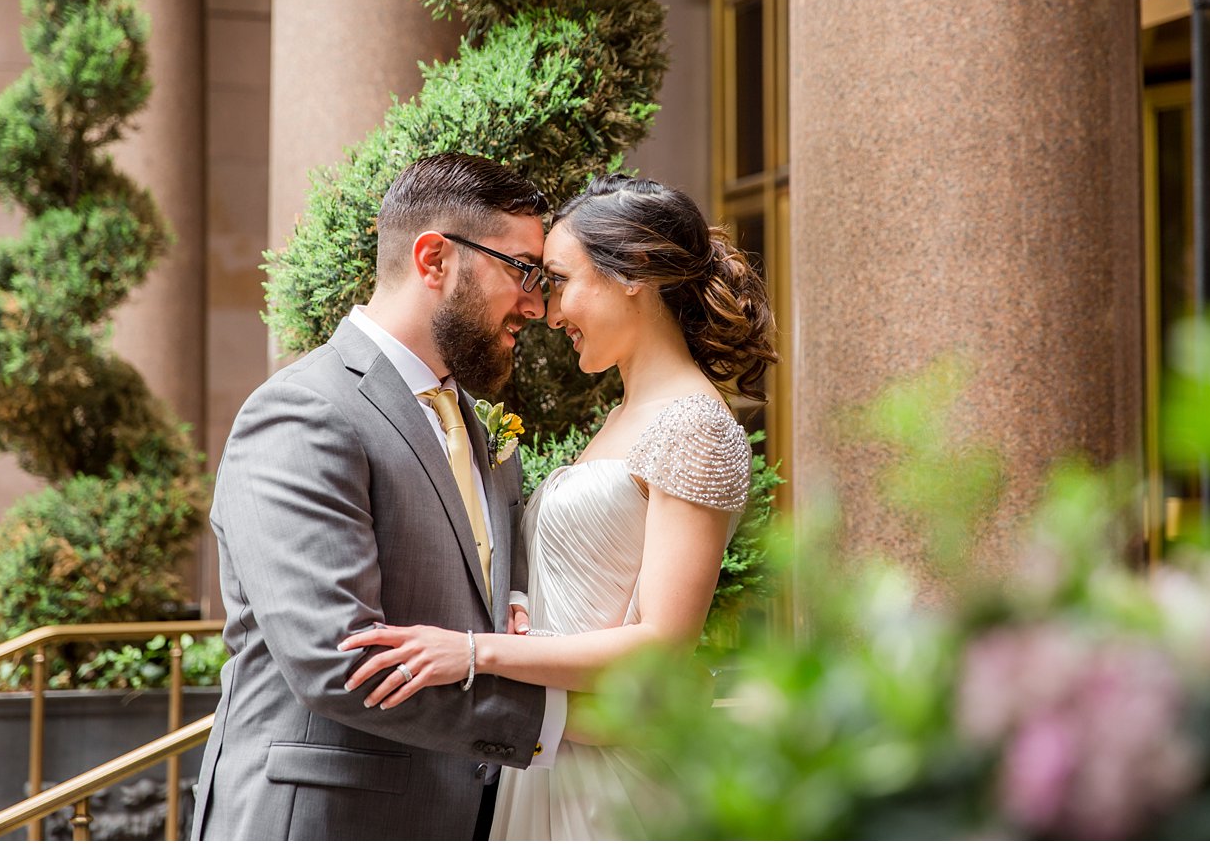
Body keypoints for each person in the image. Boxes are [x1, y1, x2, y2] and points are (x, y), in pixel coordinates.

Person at [337, 173, 779, 839]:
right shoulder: (625, 414)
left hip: (618, 775)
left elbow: (662, 643)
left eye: (561, 280)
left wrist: (474, 652)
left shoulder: (695, 425)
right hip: (551, 751)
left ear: (633, 273)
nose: (549, 312)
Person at [192, 153, 570, 841]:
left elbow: (486, 594)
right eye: (522, 270)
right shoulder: (304, 411)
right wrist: (557, 721)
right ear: (434, 259)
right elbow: (342, 659)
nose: (537, 305)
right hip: (328, 820)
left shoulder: (477, 423)